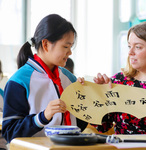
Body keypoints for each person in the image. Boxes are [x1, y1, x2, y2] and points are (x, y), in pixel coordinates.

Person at [2, 14, 87, 143]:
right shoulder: (19, 81)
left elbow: (79, 125)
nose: (70, 53)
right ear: (46, 44)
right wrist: (42, 117)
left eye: (71, 47)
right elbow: (10, 133)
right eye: (65, 46)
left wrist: (89, 98)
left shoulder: (70, 79)